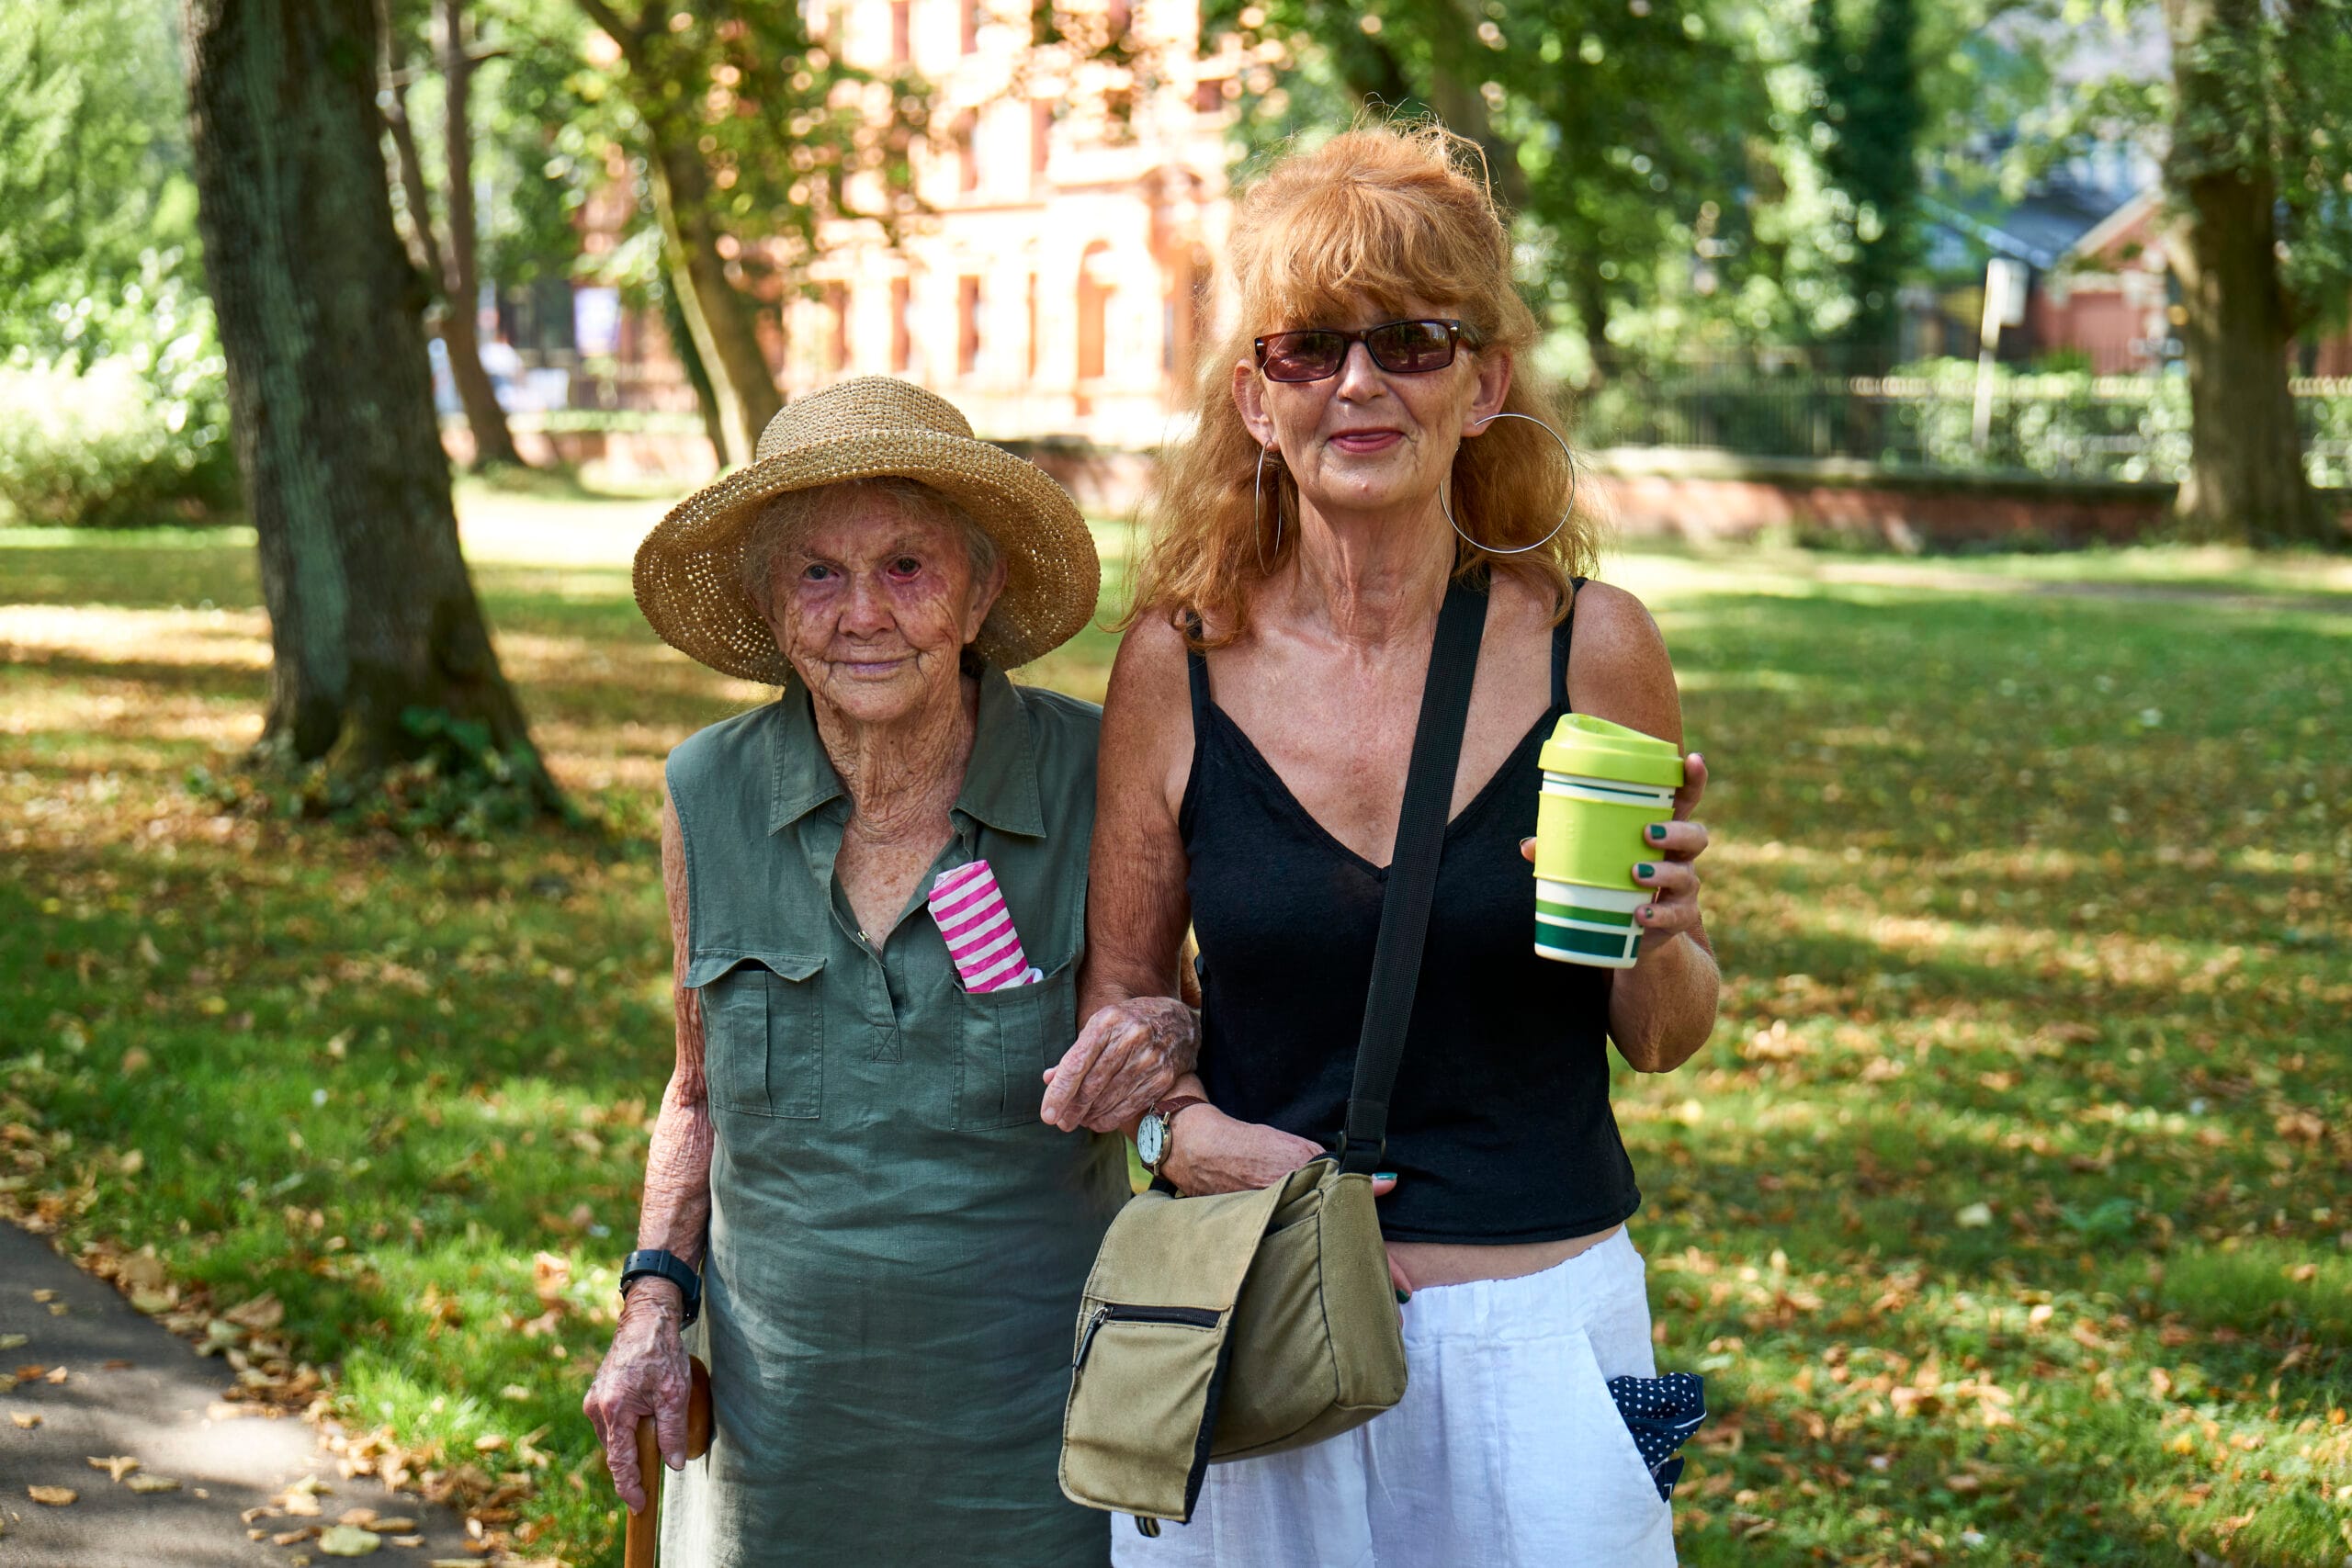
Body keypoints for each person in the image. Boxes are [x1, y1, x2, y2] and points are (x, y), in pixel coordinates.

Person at [1079, 125, 1721, 1566]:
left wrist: (1668, 935)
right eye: (1307, 349)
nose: (1359, 384)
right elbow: (1118, 1002)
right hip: (1255, 1333)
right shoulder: (1171, 668)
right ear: (1254, 397)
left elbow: (1664, 1041)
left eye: (1413, 342)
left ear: (1485, 385)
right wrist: (1190, 1136)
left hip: (1551, 1344)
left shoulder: (1591, 646)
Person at [583, 377, 1193, 1565]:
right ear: (770, 605)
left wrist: (1168, 1040)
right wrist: (654, 1304)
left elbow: (1171, 1020)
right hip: (781, 1434)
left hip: (1039, 1439)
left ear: (982, 588)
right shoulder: (705, 794)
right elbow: (696, 1089)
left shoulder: (1093, 775)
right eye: (816, 572)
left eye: (908, 566)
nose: (864, 612)